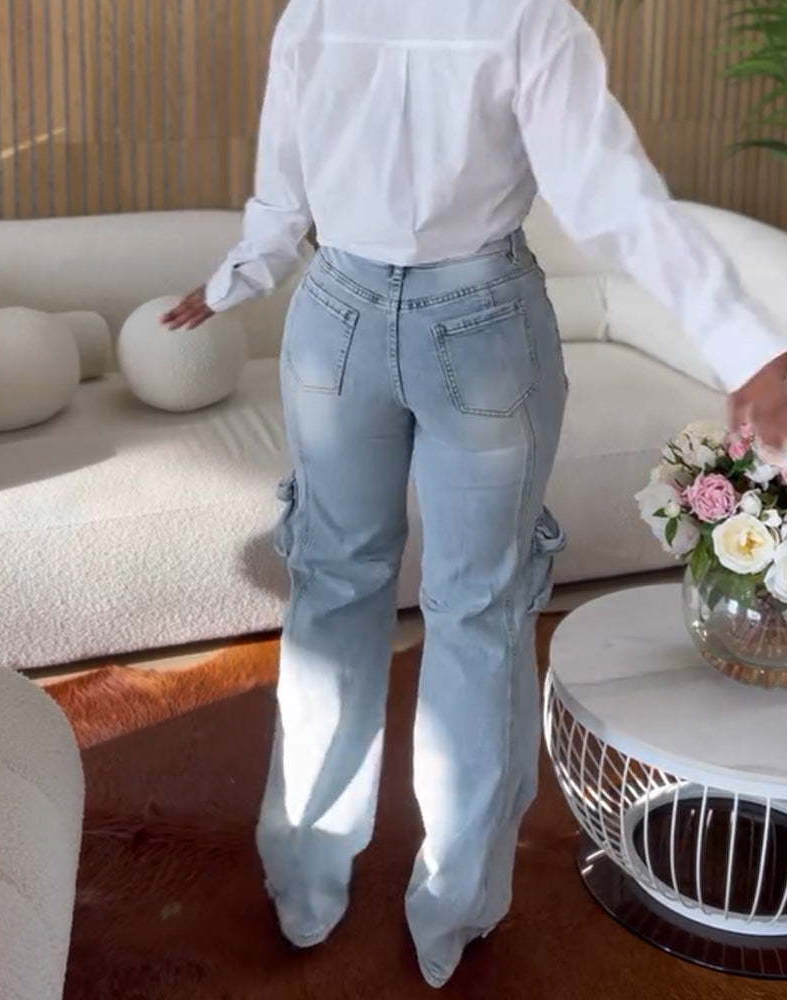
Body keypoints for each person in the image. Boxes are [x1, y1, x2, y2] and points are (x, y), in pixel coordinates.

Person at [162, 0, 787, 987]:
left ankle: (306, 887)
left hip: (334, 317)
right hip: (480, 319)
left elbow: (280, 205)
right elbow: (610, 198)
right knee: (477, 608)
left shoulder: (314, 12)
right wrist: (745, 345)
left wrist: (237, 279)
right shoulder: (530, 17)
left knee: (332, 589)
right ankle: (452, 914)